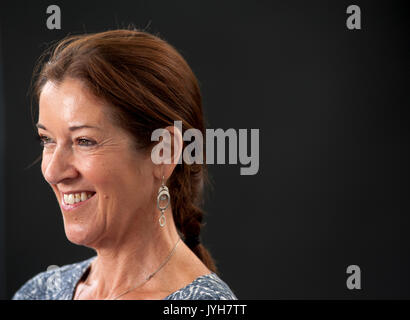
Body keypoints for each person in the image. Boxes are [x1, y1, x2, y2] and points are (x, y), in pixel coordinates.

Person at [12, 28, 237, 300]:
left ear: (164, 152)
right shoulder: (39, 293)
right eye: (47, 140)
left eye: (84, 141)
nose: (52, 172)